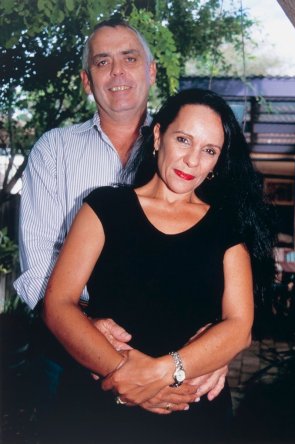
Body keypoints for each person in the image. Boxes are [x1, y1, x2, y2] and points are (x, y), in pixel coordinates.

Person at [14, 18, 225, 420]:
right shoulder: (54, 151)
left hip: (175, 345)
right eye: (102, 62)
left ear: (150, 71)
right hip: (69, 345)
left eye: (129, 58)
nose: (117, 72)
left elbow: (216, 250)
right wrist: (88, 327)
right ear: (86, 80)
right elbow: (37, 263)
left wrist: (218, 344)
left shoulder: (190, 149)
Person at [43, 88, 275, 443]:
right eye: (183, 139)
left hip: (191, 414)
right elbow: (59, 304)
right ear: (157, 136)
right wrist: (125, 375)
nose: (192, 160)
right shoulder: (104, 206)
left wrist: (161, 373)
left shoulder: (228, 225)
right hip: (99, 409)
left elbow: (239, 326)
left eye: (209, 150)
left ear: (217, 162)